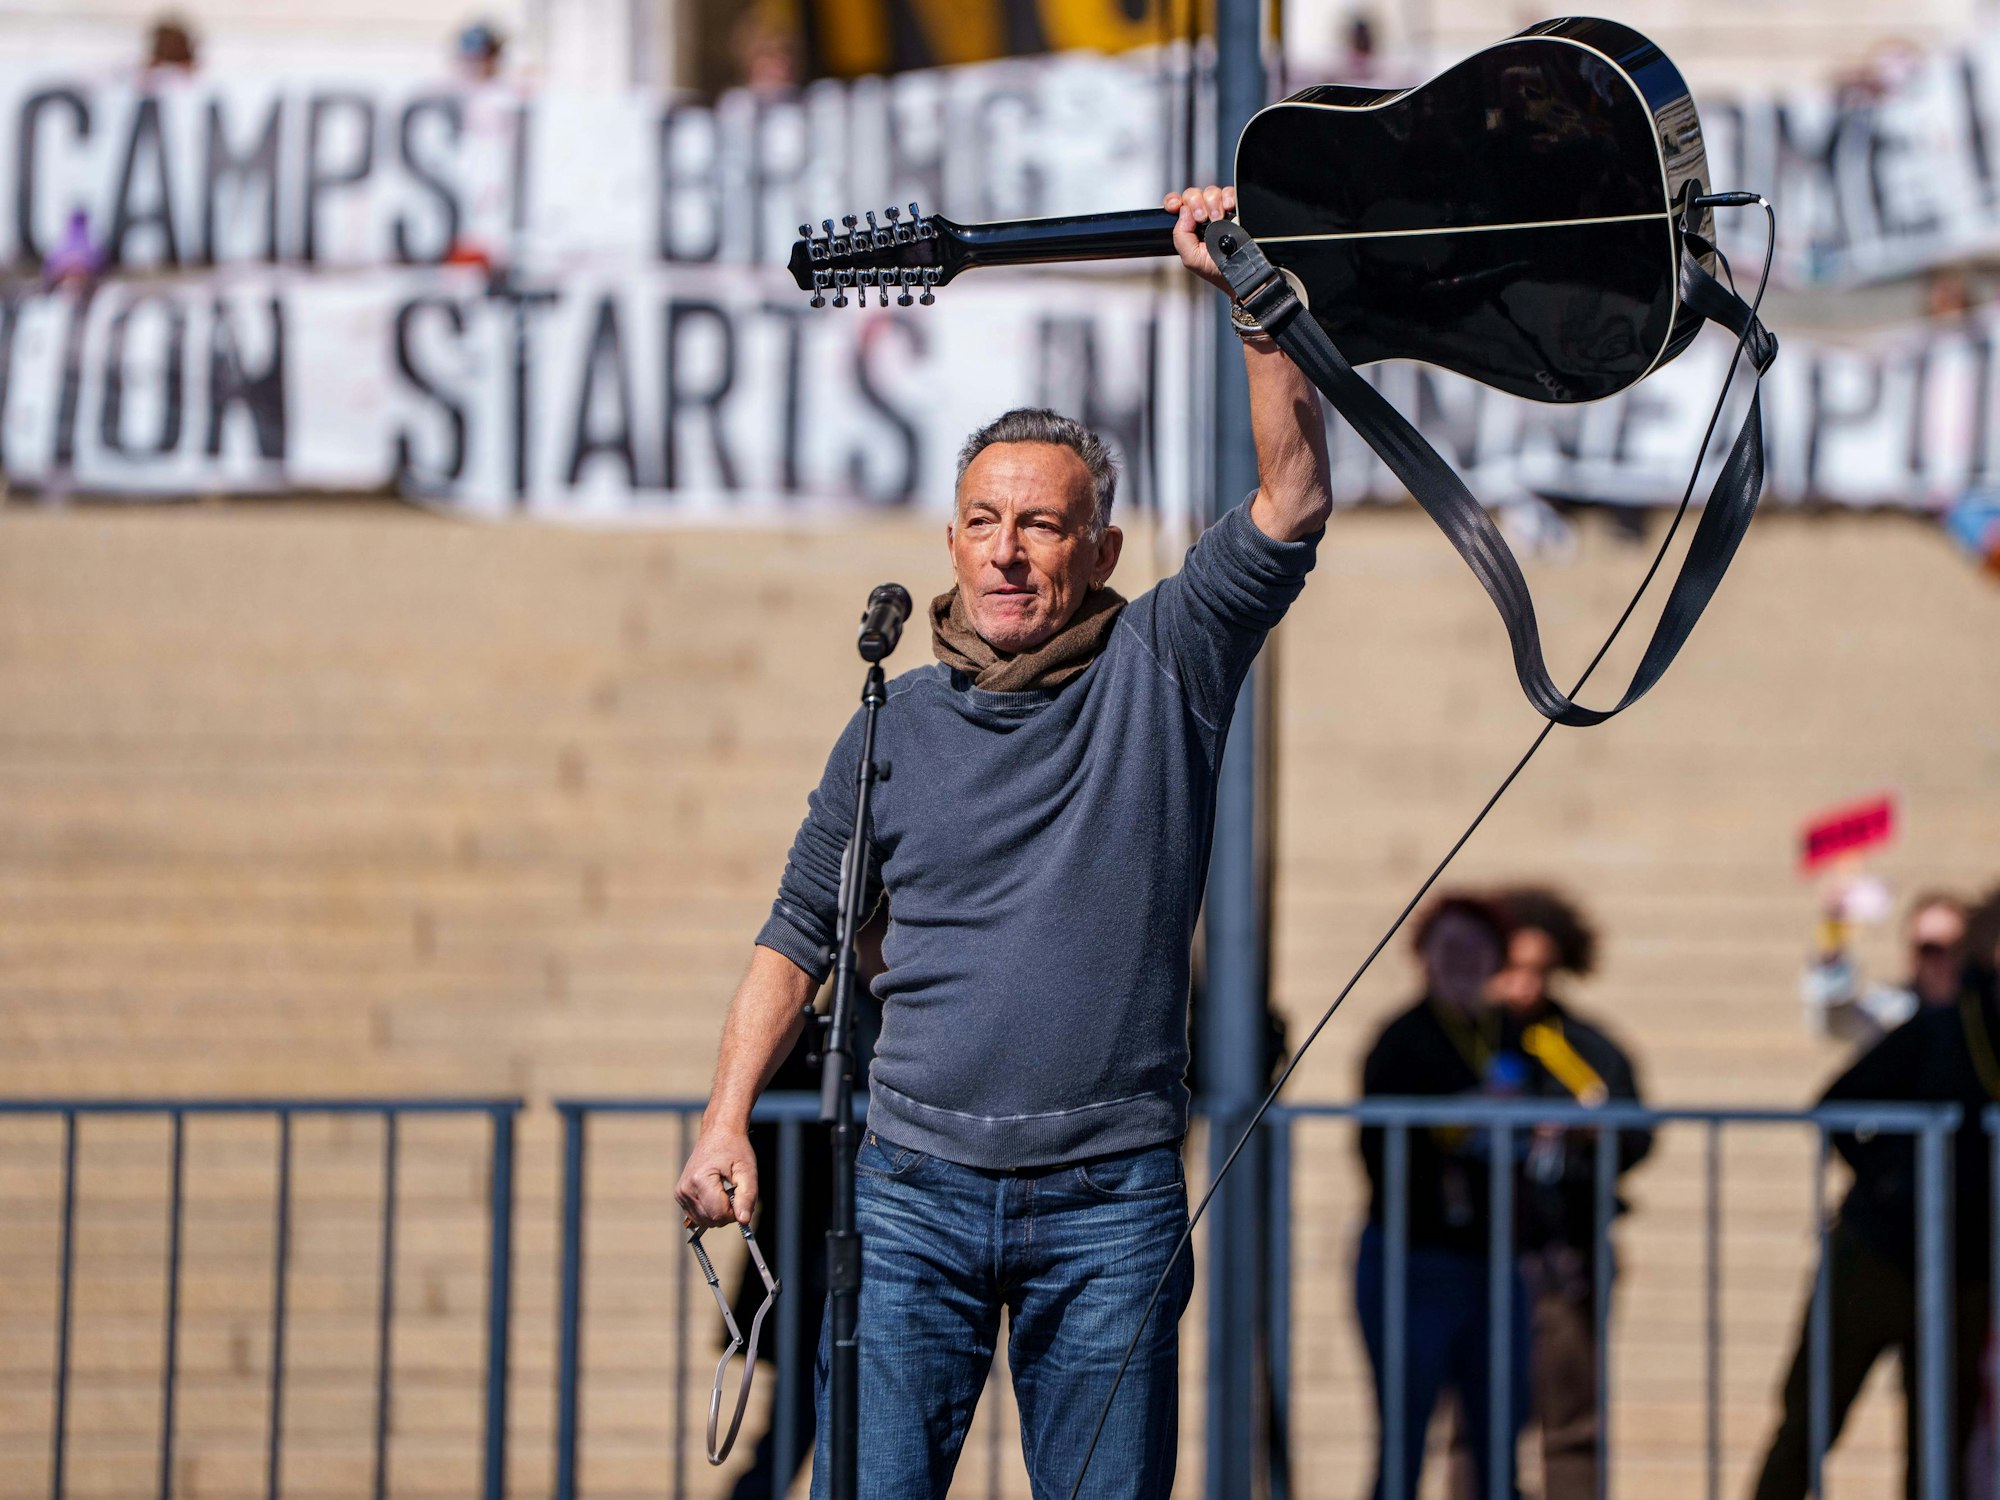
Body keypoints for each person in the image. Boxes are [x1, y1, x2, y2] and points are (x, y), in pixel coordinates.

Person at [675, 181, 1332, 1500]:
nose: (1009, 553)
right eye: (984, 522)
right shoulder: (891, 721)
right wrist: (727, 1116)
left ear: (1104, 548)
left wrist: (1256, 308)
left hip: (1108, 1204)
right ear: (952, 542)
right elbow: (795, 936)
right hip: (908, 1192)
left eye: (1040, 524)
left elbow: (1294, 497)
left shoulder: (1167, 659)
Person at [1749, 893, 2000, 1500]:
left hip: (1966, 1274)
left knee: (1941, 1442)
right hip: (1877, 1253)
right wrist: (1893, 1180)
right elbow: (1837, 1104)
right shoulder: (1940, 1024)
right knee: (1810, 1419)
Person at [1467, 887, 1651, 1500]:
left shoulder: (1581, 1045)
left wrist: (1586, 1136)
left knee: (1571, 1426)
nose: (1521, 987)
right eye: (1508, 968)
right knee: (1474, 1430)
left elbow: (1636, 1133)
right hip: (1473, 1262)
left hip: (1563, 1263)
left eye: (1537, 972)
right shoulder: (1460, 1040)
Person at [1355, 894, 1532, 1500]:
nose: (1460, 961)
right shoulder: (1401, 1040)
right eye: (1447, 948)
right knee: (1403, 1446)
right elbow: (1377, 1148)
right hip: (1413, 1260)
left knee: (1499, 1447)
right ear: (1423, 957)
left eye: (1475, 949)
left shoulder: (1518, 1033)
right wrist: (1461, 1119)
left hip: (1494, 1262)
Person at [1802, 888, 1968, 1046]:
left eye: (1956, 948)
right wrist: (1833, 943)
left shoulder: (1985, 1010)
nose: (1945, 960)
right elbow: (1836, 1019)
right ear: (1910, 955)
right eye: (1931, 950)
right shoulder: (1891, 1011)